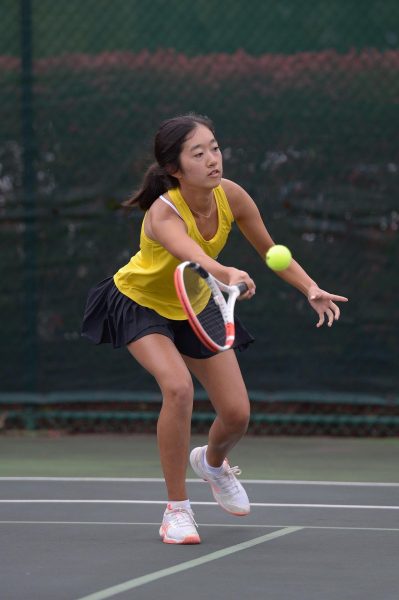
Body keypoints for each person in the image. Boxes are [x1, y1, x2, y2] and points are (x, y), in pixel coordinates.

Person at [82, 113, 348, 545]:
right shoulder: (163, 212)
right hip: (141, 302)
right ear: (174, 168)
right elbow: (193, 256)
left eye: (215, 148)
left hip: (197, 304)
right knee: (178, 388)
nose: (212, 159)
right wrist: (224, 271)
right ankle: (177, 511)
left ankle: (211, 462)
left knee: (238, 413)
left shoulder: (232, 196)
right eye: (198, 153)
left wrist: (310, 287)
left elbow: (271, 250)